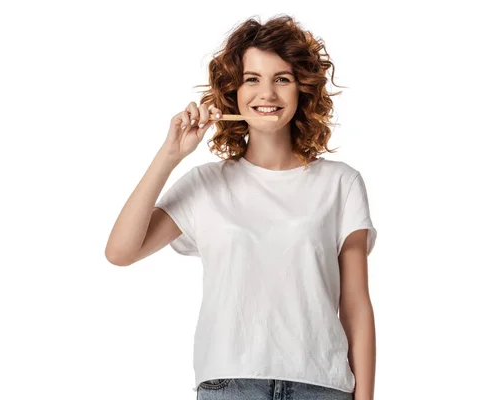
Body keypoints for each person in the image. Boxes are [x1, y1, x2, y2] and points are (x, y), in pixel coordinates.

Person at [105, 14, 377, 400]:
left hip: (321, 385)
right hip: (229, 385)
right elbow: (120, 251)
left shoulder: (341, 183)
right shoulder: (206, 184)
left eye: (281, 79)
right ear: (234, 91)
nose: (266, 94)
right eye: (252, 79)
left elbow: (355, 304)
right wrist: (170, 155)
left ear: (302, 90)